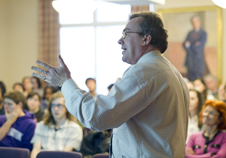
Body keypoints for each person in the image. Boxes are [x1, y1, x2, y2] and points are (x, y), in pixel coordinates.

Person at [31, 11, 189, 158]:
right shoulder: (170, 71)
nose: (120, 40)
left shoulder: (144, 72)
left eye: (126, 34)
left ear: (146, 39)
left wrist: (65, 83)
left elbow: (96, 117)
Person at [30, 91, 83, 158]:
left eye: (59, 105)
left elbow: (64, 155)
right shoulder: (41, 125)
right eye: (53, 105)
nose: (55, 109)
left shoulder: (75, 129)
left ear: (66, 108)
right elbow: (36, 150)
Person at [183, 16, 207, 81]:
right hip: (189, 60)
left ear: (199, 22)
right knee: (190, 79)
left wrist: (189, 46)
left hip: (198, 61)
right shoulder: (190, 33)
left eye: (196, 22)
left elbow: (198, 48)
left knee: (198, 79)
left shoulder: (203, 33)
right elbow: (184, 44)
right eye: (193, 22)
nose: (194, 24)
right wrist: (192, 45)